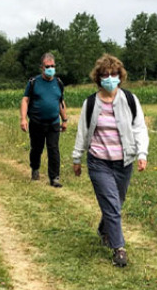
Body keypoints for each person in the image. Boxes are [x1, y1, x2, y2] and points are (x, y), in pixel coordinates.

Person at [72, 54, 149, 267]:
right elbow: (82, 132)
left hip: (124, 162)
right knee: (112, 205)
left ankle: (104, 229)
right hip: (99, 162)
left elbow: (139, 128)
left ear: (120, 76)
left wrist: (142, 154)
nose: (109, 78)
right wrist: (77, 158)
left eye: (113, 74)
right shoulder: (90, 103)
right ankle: (119, 248)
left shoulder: (130, 100)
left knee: (117, 202)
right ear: (98, 78)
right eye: (105, 75)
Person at [20, 53, 68, 187]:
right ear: (42, 67)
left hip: (53, 123)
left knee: (53, 149)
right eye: (48, 66)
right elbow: (25, 100)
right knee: (37, 148)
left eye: (53, 66)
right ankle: (35, 168)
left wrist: (64, 120)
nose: (50, 68)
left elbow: (61, 102)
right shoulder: (33, 83)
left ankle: (54, 178)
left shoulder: (58, 83)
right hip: (37, 123)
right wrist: (23, 119)